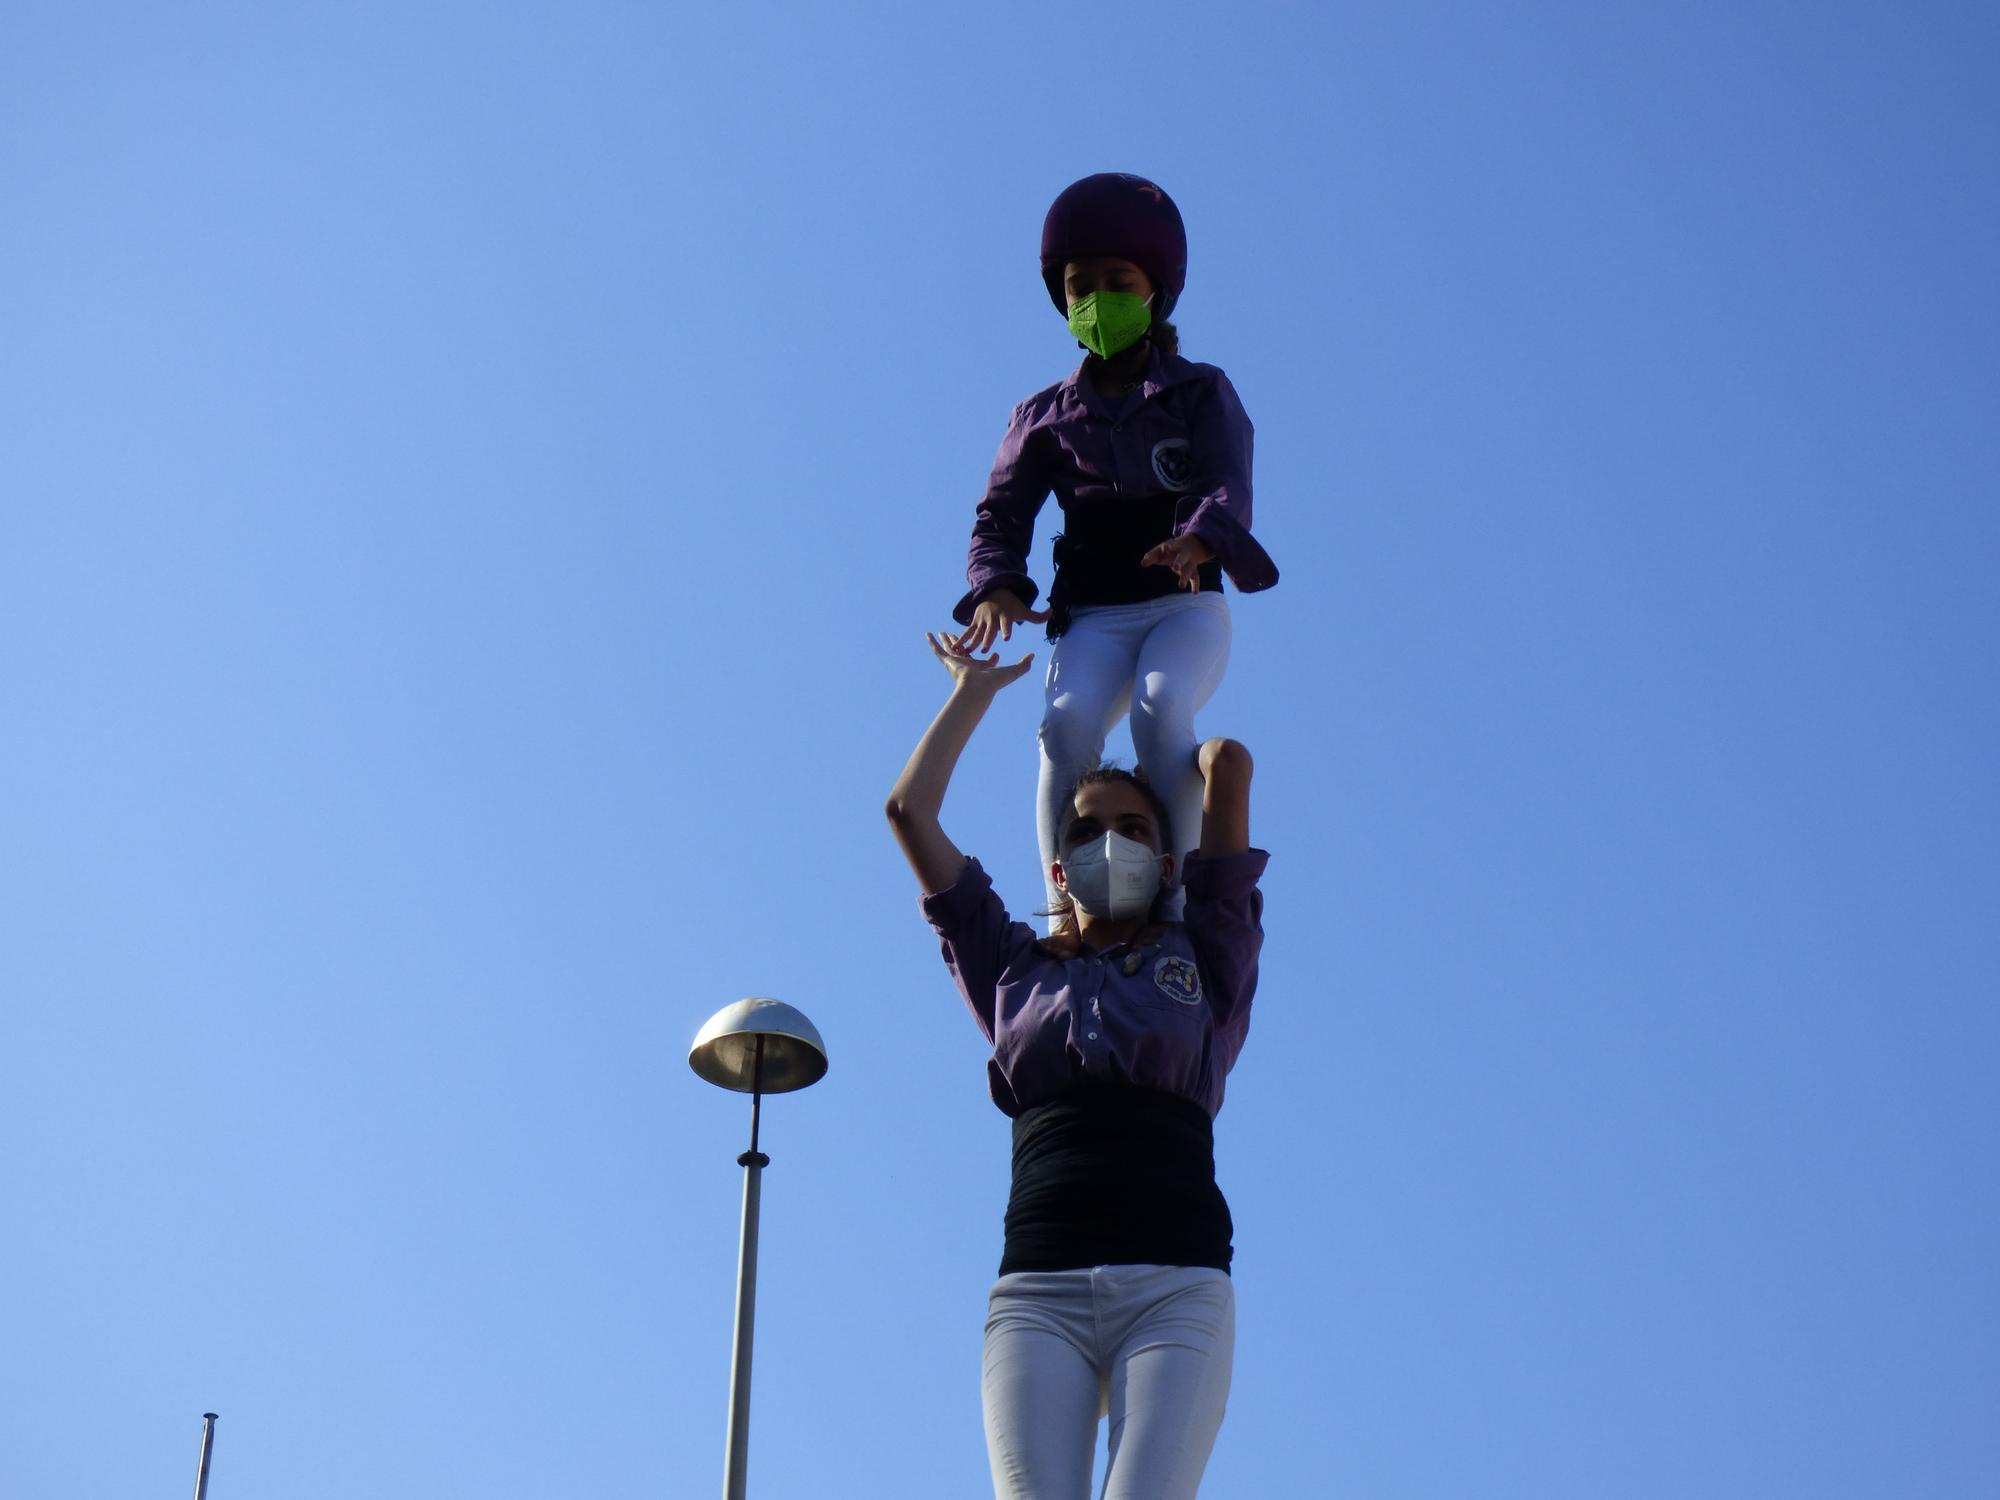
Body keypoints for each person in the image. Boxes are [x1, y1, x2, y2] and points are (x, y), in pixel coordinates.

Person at [886, 632, 1266, 1500]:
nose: (1110, 843)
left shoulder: (1205, 953)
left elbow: (1230, 770)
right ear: (1059, 869)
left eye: (1133, 830)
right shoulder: (1011, 964)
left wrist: (1179, 744)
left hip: (1175, 1282)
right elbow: (909, 814)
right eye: (1088, 830)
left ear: (1167, 861)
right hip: (1039, 1289)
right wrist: (973, 693)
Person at [952, 171, 1279, 926]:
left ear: (1155, 290)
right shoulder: (1042, 416)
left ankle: (1173, 909)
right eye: (1081, 286)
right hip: (1093, 612)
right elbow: (1001, 510)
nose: (1098, 299)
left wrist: (1201, 536)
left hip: (1180, 606)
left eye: (1118, 281)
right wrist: (998, 583)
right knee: (1065, 727)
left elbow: (1228, 479)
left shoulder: (1199, 392)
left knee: (1161, 714)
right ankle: (1065, 913)